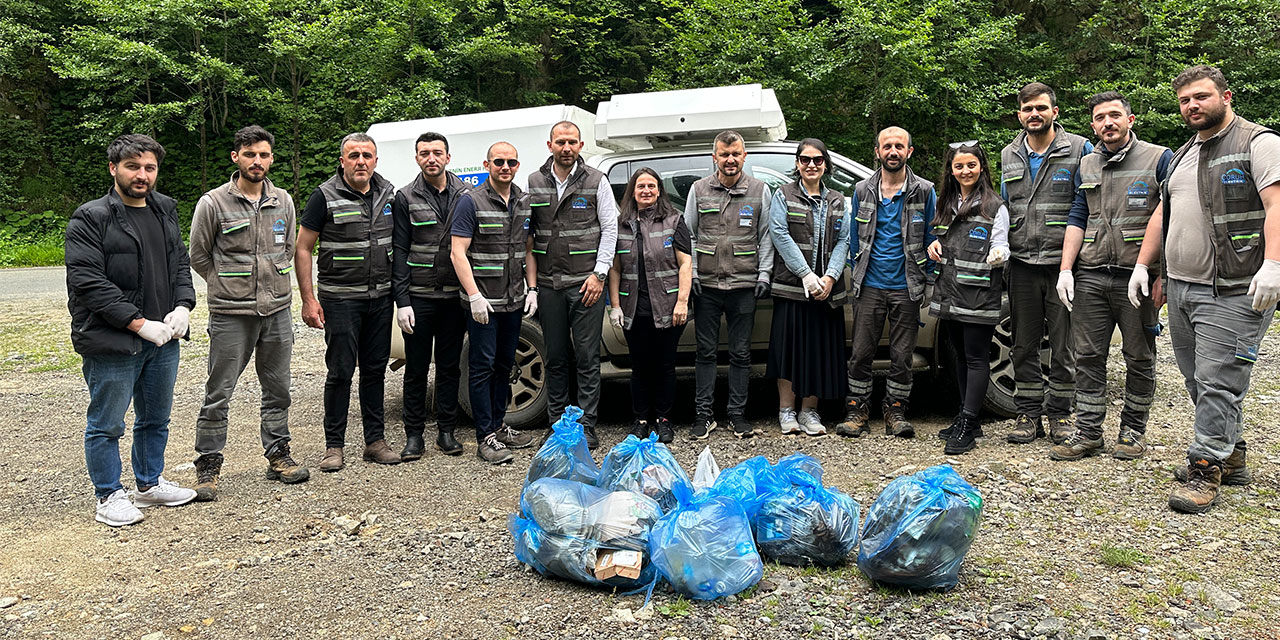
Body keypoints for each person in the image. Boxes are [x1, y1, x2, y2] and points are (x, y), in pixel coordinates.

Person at [1130, 65, 1280, 513]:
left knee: (1218, 380)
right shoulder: (1181, 155)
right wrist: (1145, 266)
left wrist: (1273, 264)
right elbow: (1162, 213)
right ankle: (1230, 454)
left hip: (1234, 286)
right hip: (1180, 286)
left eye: (1201, 97)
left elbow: (1277, 203)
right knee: (1198, 377)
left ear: (1226, 96)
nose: (1192, 106)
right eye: (1184, 100)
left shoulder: (1259, 143)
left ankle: (1205, 467)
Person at [65, 133, 198, 526]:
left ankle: (148, 484)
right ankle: (108, 495)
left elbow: (179, 262)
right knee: (107, 424)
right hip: (112, 341)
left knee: (155, 418)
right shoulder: (91, 217)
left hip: (164, 339)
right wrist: (138, 324)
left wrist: (182, 306)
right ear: (114, 169)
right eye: (133, 166)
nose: (142, 175)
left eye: (149, 168)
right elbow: (88, 281)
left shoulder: (164, 210)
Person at [188, 125, 308, 500]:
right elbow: (199, 255)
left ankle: (278, 454)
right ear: (235, 157)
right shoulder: (213, 203)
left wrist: (270, 283)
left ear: (271, 159)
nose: (257, 161)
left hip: (276, 311)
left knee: (278, 388)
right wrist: (226, 285)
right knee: (218, 390)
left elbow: (287, 248)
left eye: (264, 155)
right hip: (230, 315)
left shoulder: (283, 200)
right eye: (250, 154)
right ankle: (208, 464)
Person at [1051, 92, 1172, 462]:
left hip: (1136, 279)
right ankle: (1088, 432)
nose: (1108, 123)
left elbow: (1172, 216)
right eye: (1100, 118)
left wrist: (1161, 275)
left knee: (1138, 356)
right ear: (1093, 126)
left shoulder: (1158, 158)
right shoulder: (1085, 164)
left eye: (1115, 115)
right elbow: (1077, 216)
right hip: (1090, 276)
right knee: (1087, 356)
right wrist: (1066, 270)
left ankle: (1133, 430)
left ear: (1130, 119)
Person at [392, 132, 524, 460]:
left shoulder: (463, 193)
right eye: (425, 153)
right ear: (417, 158)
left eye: (437, 152)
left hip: (454, 296)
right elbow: (398, 249)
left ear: (448, 158)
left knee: (450, 367)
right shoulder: (405, 197)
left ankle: (447, 432)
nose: (431, 158)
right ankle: (414, 435)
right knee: (417, 367)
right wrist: (402, 301)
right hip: (420, 295)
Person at [296, 132, 401, 471]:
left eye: (366, 155)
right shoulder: (323, 196)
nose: (360, 161)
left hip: (380, 298)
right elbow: (302, 248)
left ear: (375, 160)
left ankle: (375, 441)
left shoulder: (389, 194)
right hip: (340, 300)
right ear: (342, 161)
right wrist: (309, 299)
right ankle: (334, 445)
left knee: (374, 371)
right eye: (353, 155)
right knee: (340, 372)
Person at [1000, 83, 1094, 446]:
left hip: (1063, 264)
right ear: (1019, 114)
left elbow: (1089, 205)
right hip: (1021, 262)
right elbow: (1004, 210)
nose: (1034, 114)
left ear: (1055, 111)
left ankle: (1060, 413)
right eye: (1027, 109)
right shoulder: (1009, 153)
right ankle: (1028, 413)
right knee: (1022, 344)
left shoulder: (1079, 149)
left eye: (1041, 108)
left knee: (1063, 344)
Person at [837, 127, 935, 439]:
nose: (893, 151)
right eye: (887, 146)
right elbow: (854, 237)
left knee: (902, 355)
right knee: (862, 352)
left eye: (899, 146)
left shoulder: (925, 191)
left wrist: (927, 279)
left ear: (909, 151)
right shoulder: (863, 189)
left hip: (907, 285)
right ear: (877, 152)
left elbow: (933, 236)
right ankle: (857, 409)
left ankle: (896, 410)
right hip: (870, 285)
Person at [526, 121, 618, 449]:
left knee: (587, 356)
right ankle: (557, 425)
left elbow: (610, 228)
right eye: (560, 142)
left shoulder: (596, 180)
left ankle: (586, 424)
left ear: (581, 146)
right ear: (550, 144)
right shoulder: (534, 181)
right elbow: (529, 234)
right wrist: (532, 286)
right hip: (550, 284)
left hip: (585, 284)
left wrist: (599, 274)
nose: (566, 148)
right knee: (555, 356)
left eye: (572, 142)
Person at [684, 130, 776, 439]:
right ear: (714, 158)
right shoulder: (698, 190)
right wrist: (693, 274)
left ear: (744, 156)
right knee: (705, 353)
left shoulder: (760, 191)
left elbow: (766, 236)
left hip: (745, 285)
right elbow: (689, 236)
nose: (730, 159)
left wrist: (764, 274)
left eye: (735, 153)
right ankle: (703, 415)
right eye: (724, 154)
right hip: (707, 286)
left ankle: (737, 414)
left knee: (740, 353)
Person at [452, 142, 538, 464]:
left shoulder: (524, 201)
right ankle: (484, 436)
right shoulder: (469, 201)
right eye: (498, 161)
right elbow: (457, 252)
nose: (505, 166)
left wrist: (533, 289)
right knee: (481, 367)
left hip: (514, 301)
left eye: (511, 162)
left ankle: (500, 426)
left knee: (505, 365)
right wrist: (474, 295)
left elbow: (528, 249)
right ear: (486, 164)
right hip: (483, 304)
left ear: (517, 165)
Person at [927, 141, 1010, 455]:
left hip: (978, 292)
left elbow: (1002, 243)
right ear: (951, 169)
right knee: (960, 356)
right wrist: (934, 245)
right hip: (949, 291)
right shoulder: (945, 202)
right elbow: (940, 238)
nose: (965, 171)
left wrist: (1000, 252)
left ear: (982, 167)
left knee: (976, 358)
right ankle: (968, 417)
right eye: (959, 166)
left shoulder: (994, 205)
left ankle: (968, 422)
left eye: (971, 165)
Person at [768, 139, 851, 436]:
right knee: (788, 352)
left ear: (826, 164)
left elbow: (845, 240)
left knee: (818, 352)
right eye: (805, 160)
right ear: (797, 164)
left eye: (817, 160)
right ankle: (786, 411)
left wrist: (829, 277)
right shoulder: (783, 195)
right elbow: (778, 233)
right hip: (793, 288)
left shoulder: (840, 200)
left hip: (827, 292)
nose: (811, 165)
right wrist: (805, 274)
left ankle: (809, 412)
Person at [607, 168, 692, 443]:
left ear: (659, 191)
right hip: (634, 308)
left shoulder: (674, 220)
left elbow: (685, 264)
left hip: (667, 305)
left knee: (665, 365)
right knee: (640, 367)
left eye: (651, 186)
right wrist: (615, 306)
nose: (646, 190)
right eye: (641, 186)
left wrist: (682, 302)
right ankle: (641, 420)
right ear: (632, 191)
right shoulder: (620, 225)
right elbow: (615, 269)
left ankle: (664, 419)